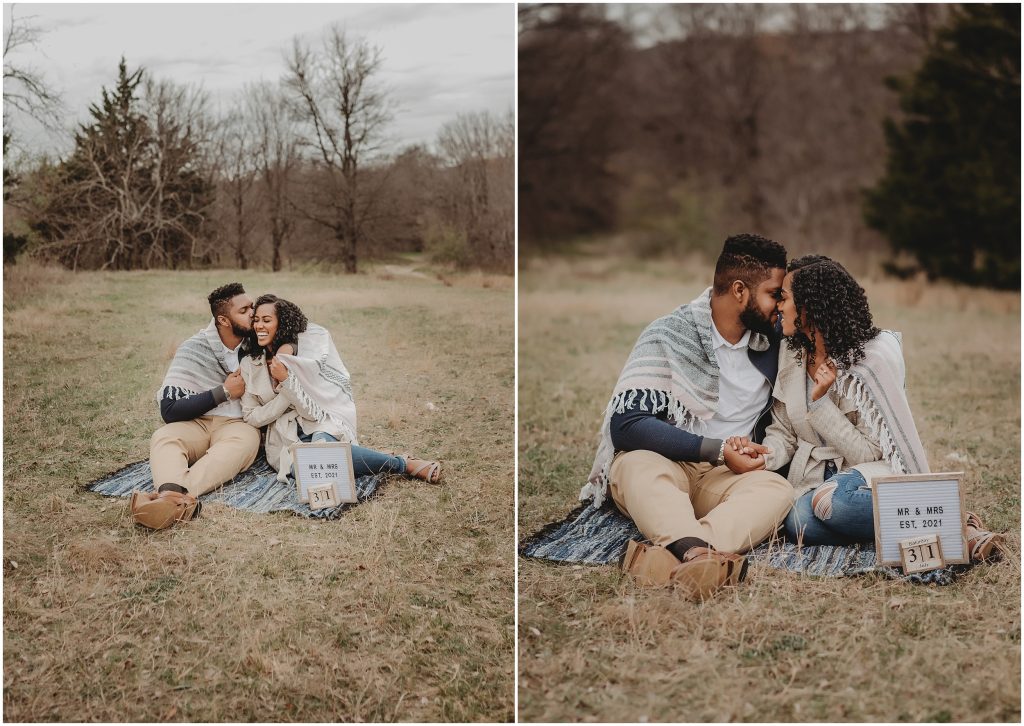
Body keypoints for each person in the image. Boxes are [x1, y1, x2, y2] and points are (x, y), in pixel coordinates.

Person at [742, 256, 1003, 560]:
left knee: (834, 502)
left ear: (809, 308)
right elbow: (784, 432)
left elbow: (868, 453)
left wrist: (822, 403)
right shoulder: (792, 354)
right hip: (812, 479)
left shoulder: (870, 362)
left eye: (785, 299)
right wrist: (764, 456)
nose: (779, 307)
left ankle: (955, 523)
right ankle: (917, 527)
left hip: (866, 473)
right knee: (799, 523)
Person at [580, 234, 796, 600]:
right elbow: (626, 425)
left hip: (727, 477)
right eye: (774, 293)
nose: (780, 305)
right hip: (665, 465)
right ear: (740, 291)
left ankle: (681, 556)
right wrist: (716, 447)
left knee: (777, 490)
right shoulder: (669, 333)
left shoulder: (774, 342)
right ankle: (701, 554)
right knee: (637, 469)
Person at [239, 294, 442, 486]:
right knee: (310, 470)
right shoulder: (250, 364)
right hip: (284, 438)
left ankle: (402, 464)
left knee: (327, 454)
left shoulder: (303, 360)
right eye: (256, 320)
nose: (259, 326)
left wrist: (286, 378)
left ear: (281, 324)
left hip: (317, 425)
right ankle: (365, 457)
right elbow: (251, 416)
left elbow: (310, 411)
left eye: (266, 320)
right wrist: (286, 392)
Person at [131, 283, 261, 530]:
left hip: (237, 425)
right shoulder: (194, 348)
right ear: (223, 320)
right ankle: (180, 500)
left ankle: (168, 498)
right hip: (198, 423)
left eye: (252, 307)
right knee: (164, 437)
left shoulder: (258, 343)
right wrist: (223, 392)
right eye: (244, 310)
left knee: (245, 443)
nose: (252, 314)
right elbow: (169, 410)